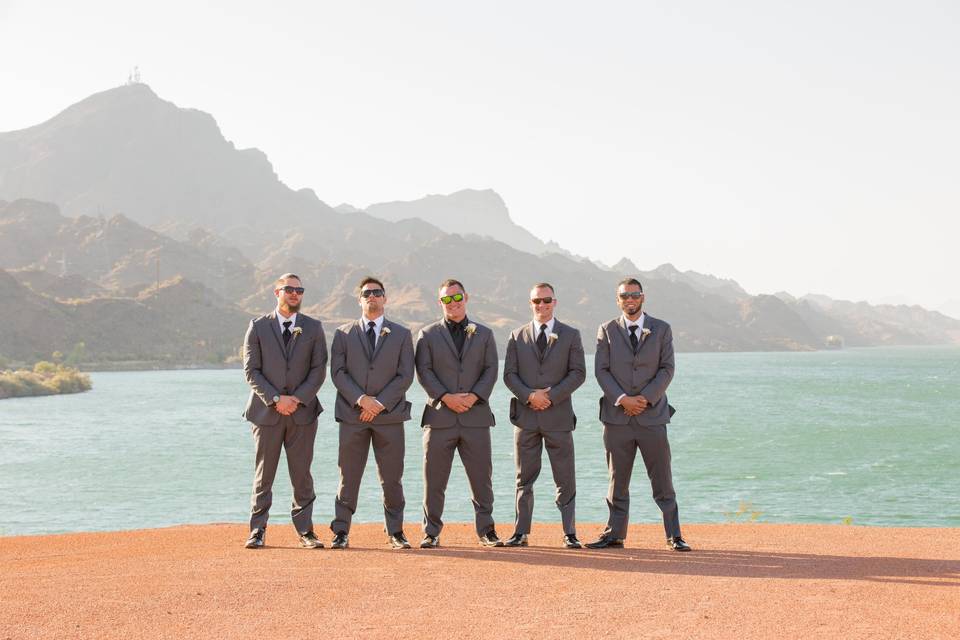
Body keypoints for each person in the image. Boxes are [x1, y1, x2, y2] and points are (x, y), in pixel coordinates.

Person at [586, 277, 691, 552]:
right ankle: (615, 534)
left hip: (652, 416)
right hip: (616, 417)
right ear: (617, 300)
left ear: (643, 297)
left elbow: (667, 369)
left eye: (634, 295)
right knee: (617, 479)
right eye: (624, 296)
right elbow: (601, 370)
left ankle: (674, 535)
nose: (629, 300)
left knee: (662, 478)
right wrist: (623, 400)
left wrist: (644, 399)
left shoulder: (662, 329)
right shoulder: (606, 330)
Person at [242, 273, 328, 549]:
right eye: (288, 289)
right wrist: (276, 399)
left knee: (302, 475)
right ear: (276, 292)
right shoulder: (257, 327)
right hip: (266, 414)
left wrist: (297, 399)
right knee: (264, 475)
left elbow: (318, 370)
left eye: (299, 290)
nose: (294, 294)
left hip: (302, 414)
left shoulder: (314, 328)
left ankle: (306, 531)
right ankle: (257, 531)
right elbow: (251, 370)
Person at [329, 277, 415, 550]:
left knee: (392, 477)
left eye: (377, 293)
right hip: (352, 417)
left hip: (389, 417)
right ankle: (341, 531)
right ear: (360, 299)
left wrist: (378, 404)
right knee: (348, 475)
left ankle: (396, 532)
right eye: (367, 293)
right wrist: (361, 400)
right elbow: (338, 373)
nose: (372, 297)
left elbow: (405, 375)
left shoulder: (402, 334)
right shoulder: (343, 334)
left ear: (385, 298)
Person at [414, 279, 501, 548]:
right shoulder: (427, 335)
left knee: (481, 478)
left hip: (476, 417)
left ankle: (486, 530)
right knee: (434, 479)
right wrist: (446, 397)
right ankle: (431, 532)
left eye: (457, 297)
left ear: (467, 297)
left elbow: (490, 370)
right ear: (440, 303)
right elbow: (424, 371)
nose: (453, 303)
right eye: (447, 299)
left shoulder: (484, 334)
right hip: (440, 418)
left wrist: (474, 396)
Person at [502, 283, 586, 548]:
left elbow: (578, 373)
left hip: (558, 417)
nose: (542, 305)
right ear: (530, 304)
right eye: (537, 301)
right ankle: (521, 532)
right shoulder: (516, 336)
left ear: (555, 302)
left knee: (565, 477)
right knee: (523, 478)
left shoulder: (571, 335)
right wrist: (529, 396)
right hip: (525, 418)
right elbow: (509, 375)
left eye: (546, 300)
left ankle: (569, 532)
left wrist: (551, 396)